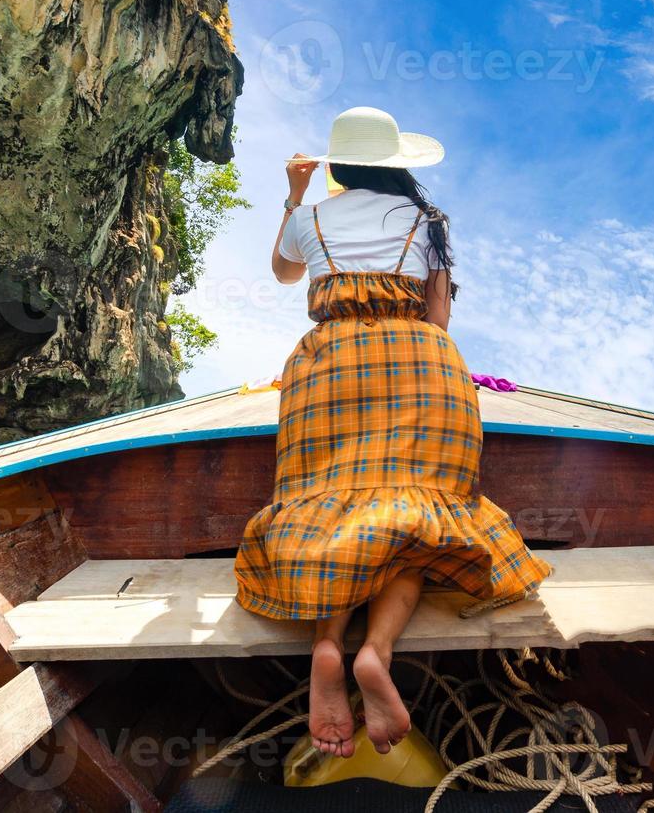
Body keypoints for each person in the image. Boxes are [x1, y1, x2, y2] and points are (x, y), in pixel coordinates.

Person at [234, 107, 552, 759]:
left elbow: (284, 274)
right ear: (396, 164)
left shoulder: (311, 218)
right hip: (420, 365)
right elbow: (437, 318)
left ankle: (327, 646)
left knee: (332, 512)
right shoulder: (427, 223)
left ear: (341, 166)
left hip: (329, 368)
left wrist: (294, 197)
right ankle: (373, 655)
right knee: (413, 513)